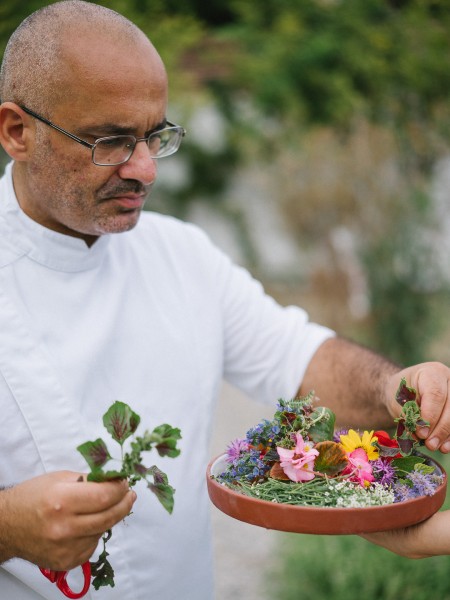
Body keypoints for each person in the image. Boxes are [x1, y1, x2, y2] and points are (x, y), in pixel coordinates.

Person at [0, 2, 448, 599]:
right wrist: (7, 529)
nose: (145, 169)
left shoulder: (182, 255)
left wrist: (398, 388)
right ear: (16, 131)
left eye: (155, 136)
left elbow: (299, 359)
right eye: (111, 141)